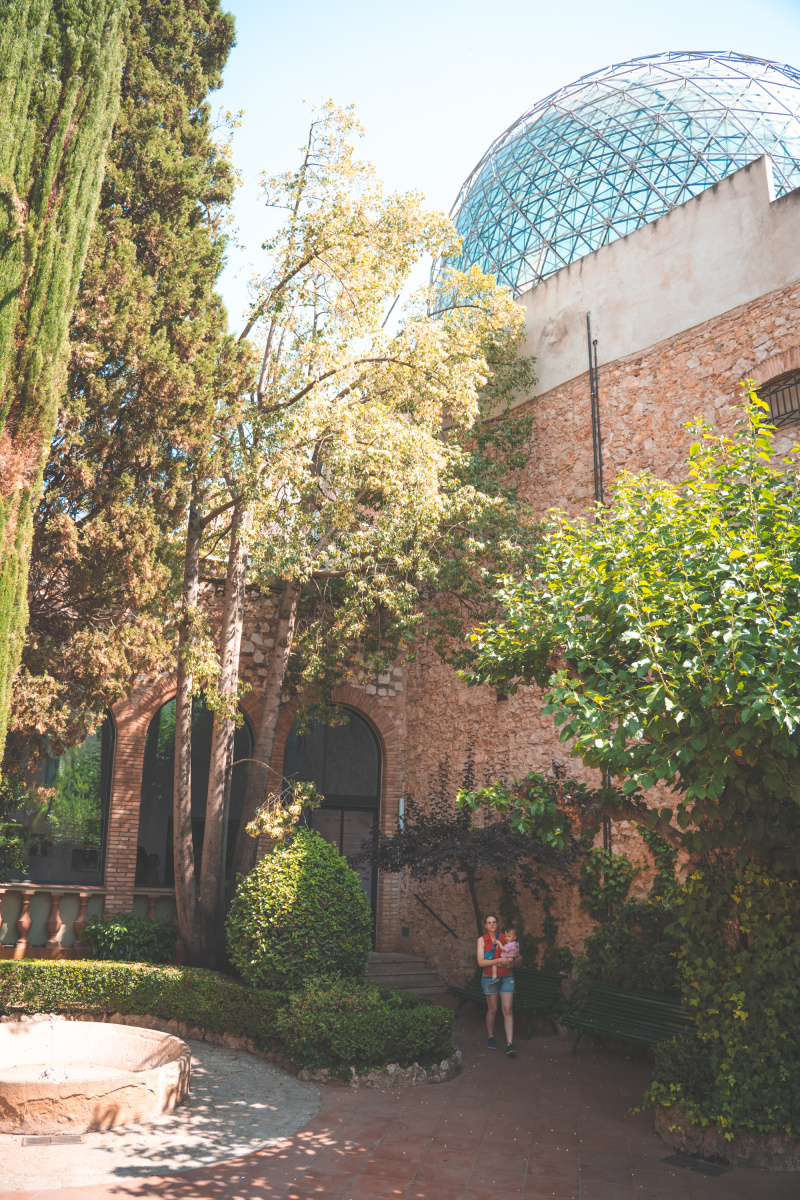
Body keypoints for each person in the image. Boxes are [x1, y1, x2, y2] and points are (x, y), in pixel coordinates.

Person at [477, 912, 521, 1057]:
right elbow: (481, 962)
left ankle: (509, 1044)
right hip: (489, 978)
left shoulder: (505, 937)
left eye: (494, 922)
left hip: (506, 977)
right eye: (489, 922)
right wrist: (499, 961)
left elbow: (518, 957)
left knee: (507, 1009)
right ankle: (490, 1036)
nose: (492, 924)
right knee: (493, 1009)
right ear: (485, 925)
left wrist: (512, 961)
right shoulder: (482, 940)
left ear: (497, 924)